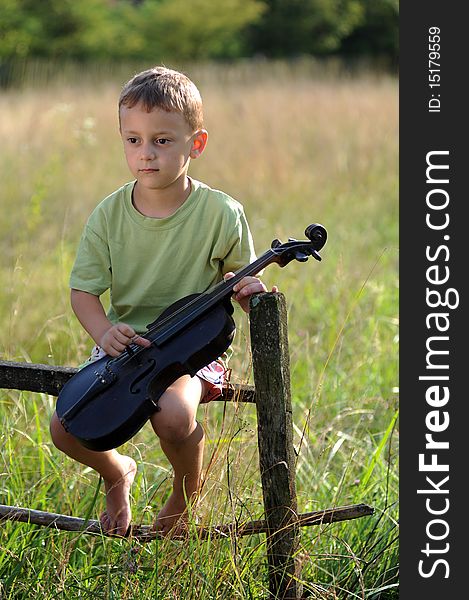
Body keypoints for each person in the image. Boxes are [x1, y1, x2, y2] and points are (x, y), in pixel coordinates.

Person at [50, 66, 276, 537]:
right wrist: (103, 332)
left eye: (162, 141)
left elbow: (241, 278)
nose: (145, 154)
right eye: (132, 141)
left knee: (173, 415)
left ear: (196, 143)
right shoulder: (109, 215)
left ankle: (187, 490)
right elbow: (83, 293)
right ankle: (118, 473)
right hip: (127, 349)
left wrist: (249, 292)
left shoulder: (220, 212)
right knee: (65, 426)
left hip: (196, 347)